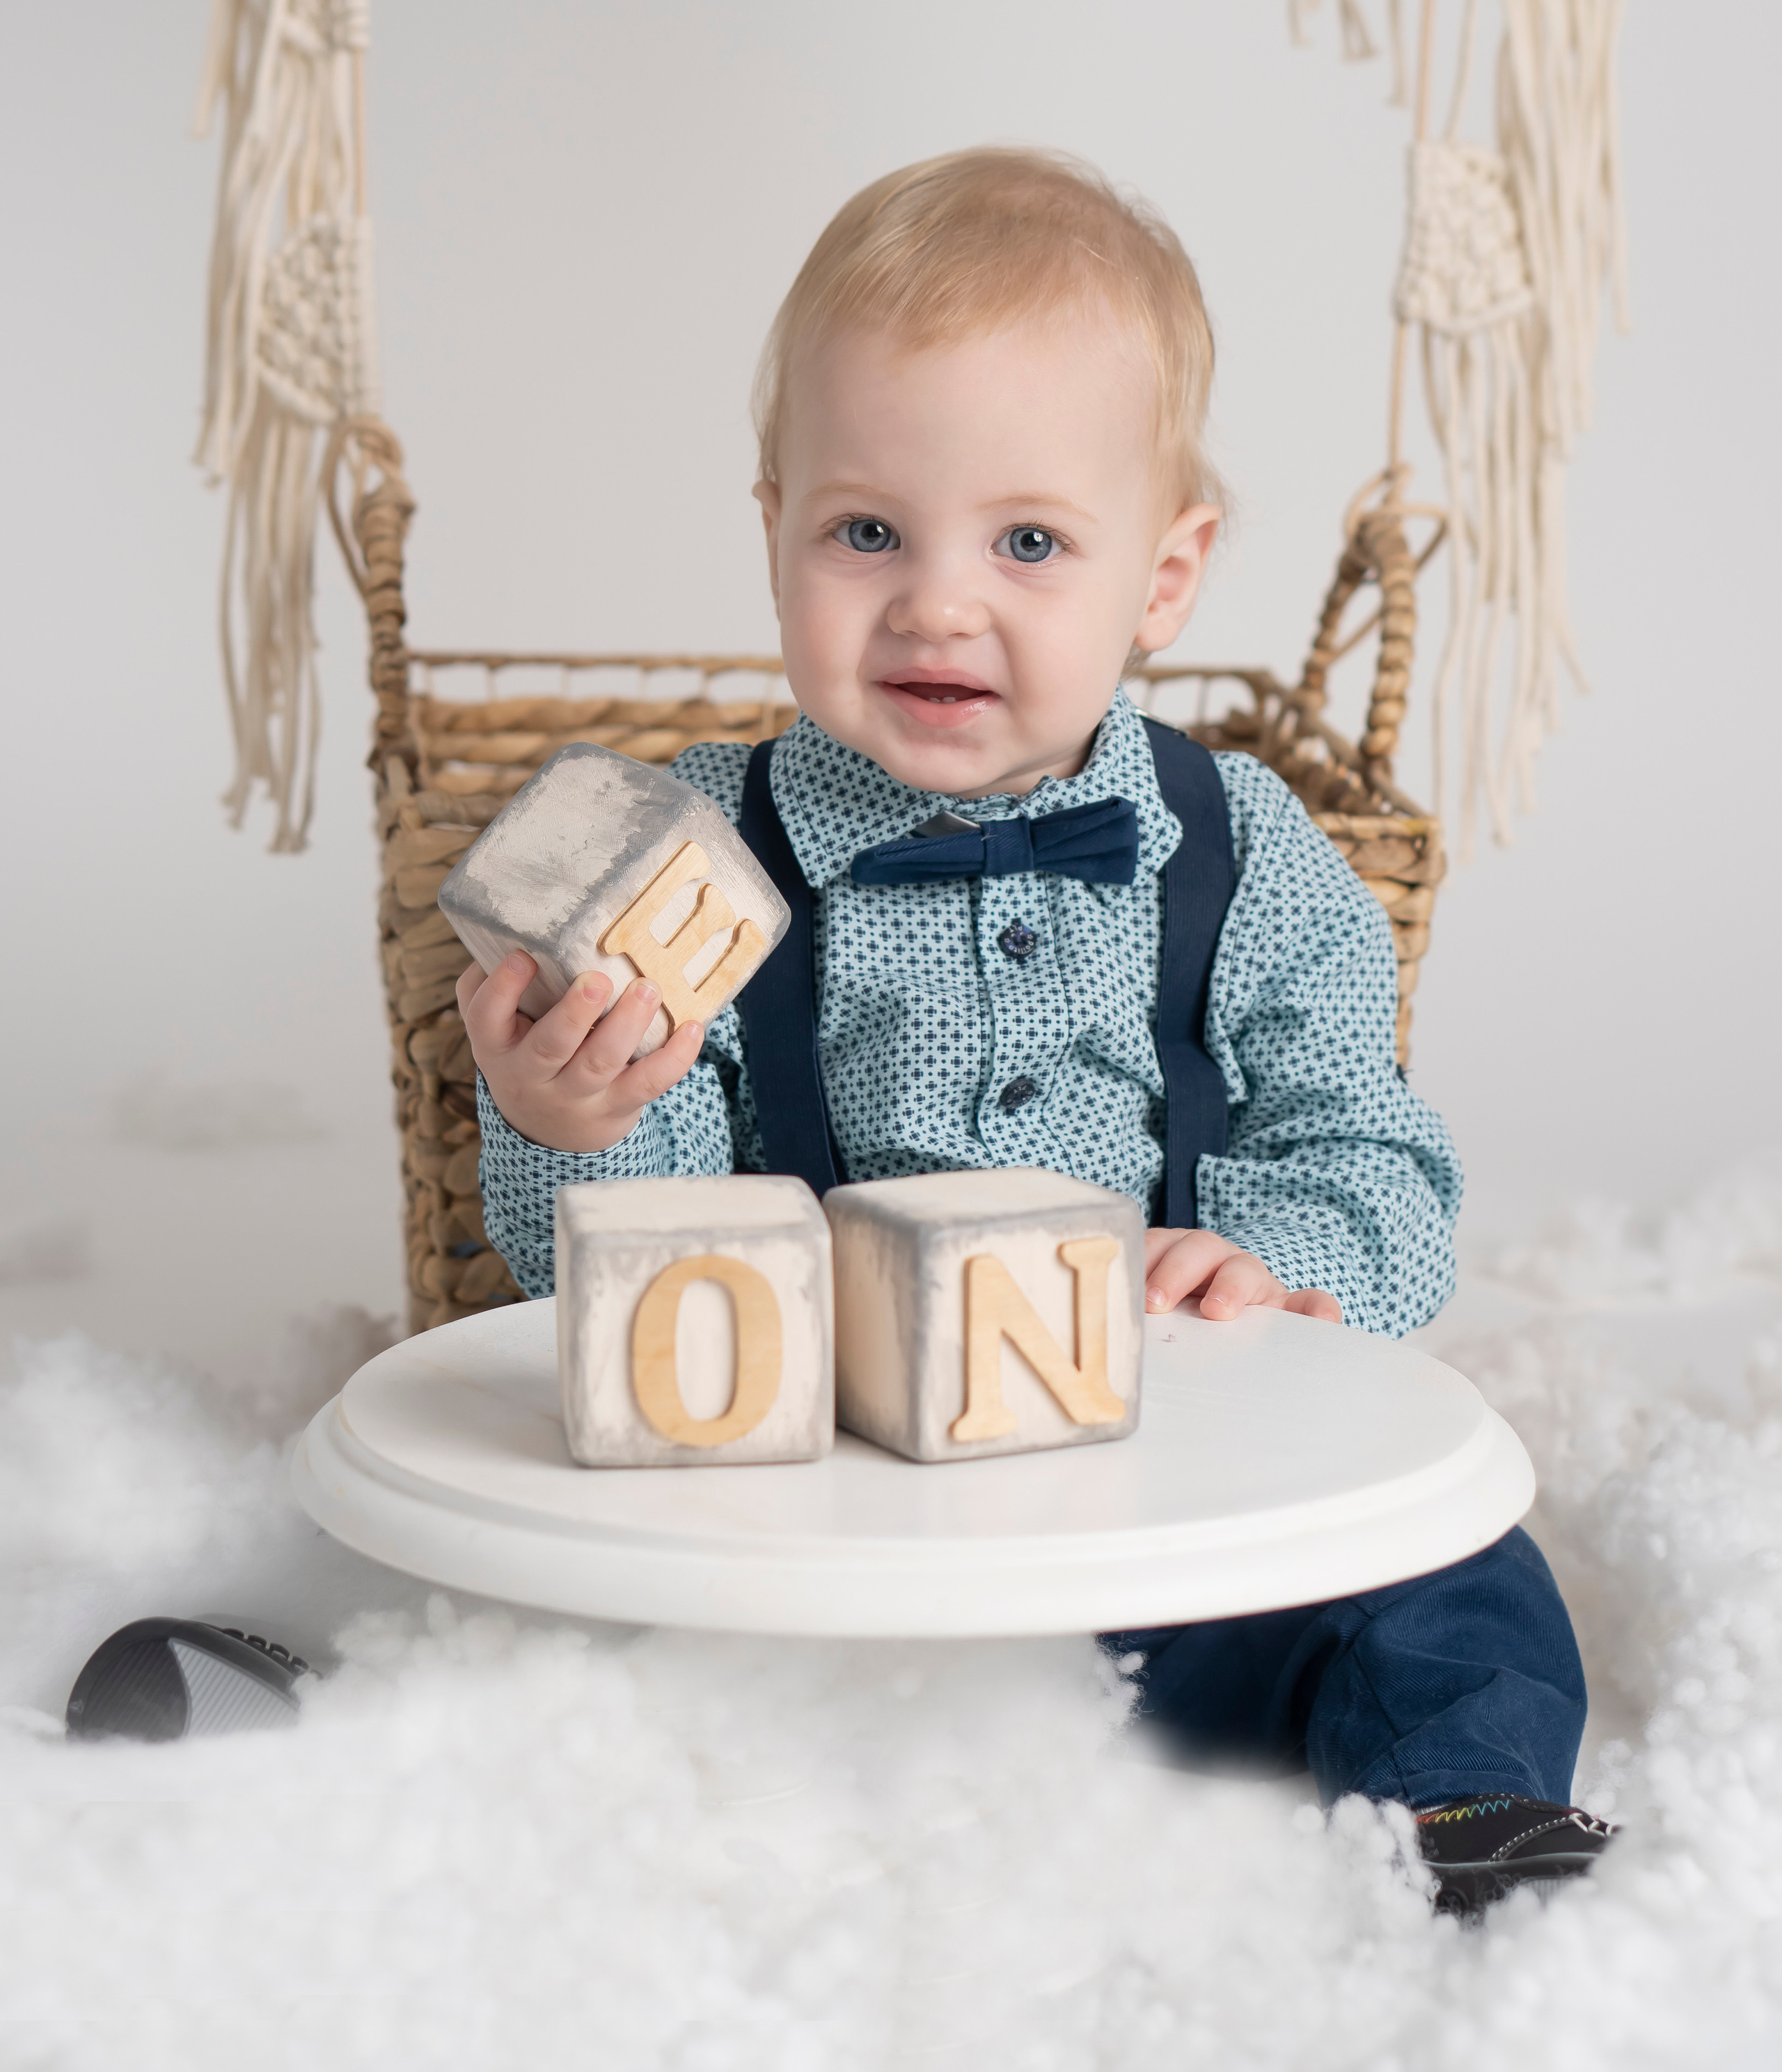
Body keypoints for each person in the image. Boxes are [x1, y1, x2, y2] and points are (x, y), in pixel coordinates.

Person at [459, 147, 1613, 1916]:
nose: (934, 602)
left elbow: (1369, 1152)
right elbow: (605, 1272)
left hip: (1157, 1497)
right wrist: (579, 1119)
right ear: (769, 531)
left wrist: (1264, 1259)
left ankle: (1453, 1808)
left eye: (1026, 542)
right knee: (520, 1541)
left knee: (1449, 1573)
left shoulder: (1241, 850)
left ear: (1162, 579)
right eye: (864, 532)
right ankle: (339, 1719)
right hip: (809, 1516)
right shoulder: (681, 855)